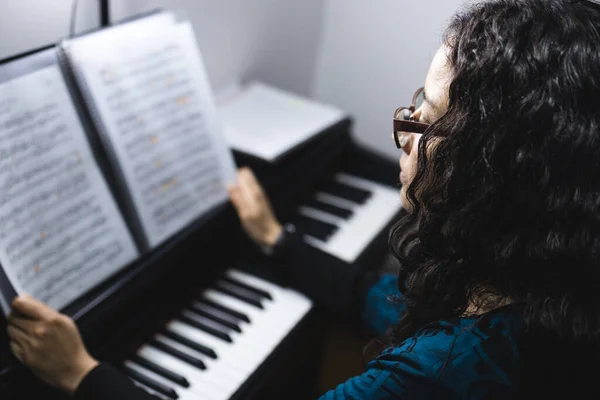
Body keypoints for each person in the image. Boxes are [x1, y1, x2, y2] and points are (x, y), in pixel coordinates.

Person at [6, 0, 600, 398]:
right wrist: (279, 243)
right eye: (417, 100)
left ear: (502, 169)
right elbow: (391, 303)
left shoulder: (439, 373)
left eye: (431, 118)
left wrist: (84, 375)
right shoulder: (540, 287)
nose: (405, 125)